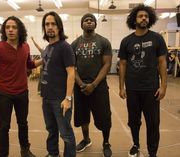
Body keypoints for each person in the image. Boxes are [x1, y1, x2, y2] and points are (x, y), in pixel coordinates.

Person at [0, 16, 41, 157]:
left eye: (14, 27)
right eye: (7, 27)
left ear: (20, 30)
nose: (10, 30)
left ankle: (25, 150)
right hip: (5, 94)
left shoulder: (25, 46)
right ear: (4, 30)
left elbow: (29, 65)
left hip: (22, 93)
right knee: (4, 127)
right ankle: (2, 154)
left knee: (23, 124)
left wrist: (44, 60)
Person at [118, 4, 167, 157]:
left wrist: (163, 86)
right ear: (134, 19)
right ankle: (136, 144)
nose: (144, 18)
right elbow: (123, 65)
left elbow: (162, 62)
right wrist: (121, 87)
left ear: (150, 19)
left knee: (153, 123)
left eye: (146, 16)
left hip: (151, 88)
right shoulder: (126, 41)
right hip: (132, 88)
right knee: (133, 121)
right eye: (140, 16)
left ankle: (153, 152)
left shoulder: (157, 38)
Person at [71, 13, 113, 157]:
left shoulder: (104, 42)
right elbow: (72, 68)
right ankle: (86, 139)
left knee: (104, 116)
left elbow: (107, 65)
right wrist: (81, 84)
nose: (89, 22)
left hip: (99, 87)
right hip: (80, 87)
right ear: (82, 24)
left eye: (91, 20)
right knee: (83, 117)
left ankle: (106, 142)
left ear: (95, 24)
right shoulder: (74, 44)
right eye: (86, 20)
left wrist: (94, 84)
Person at [41, 11, 76, 157]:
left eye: (53, 24)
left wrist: (68, 98)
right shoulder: (48, 48)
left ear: (59, 27)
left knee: (66, 134)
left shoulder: (64, 47)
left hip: (60, 100)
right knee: (51, 130)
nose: (50, 27)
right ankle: (53, 153)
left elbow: (71, 73)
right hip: (47, 98)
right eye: (47, 24)